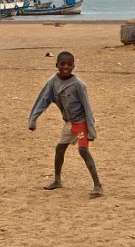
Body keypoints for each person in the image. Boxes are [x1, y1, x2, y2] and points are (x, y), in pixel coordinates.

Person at [28, 51, 103, 197]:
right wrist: (33, 119)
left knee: (83, 151)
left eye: (69, 64)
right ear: (56, 65)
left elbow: (87, 107)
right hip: (69, 123)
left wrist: (91, 130)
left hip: (81, 123)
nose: (66, 67)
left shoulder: (78, 85)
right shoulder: (53, 82)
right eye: (62, 64)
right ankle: (57, 180)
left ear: (74, 66)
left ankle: (97, 185)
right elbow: (43, 99)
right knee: (60, 149)